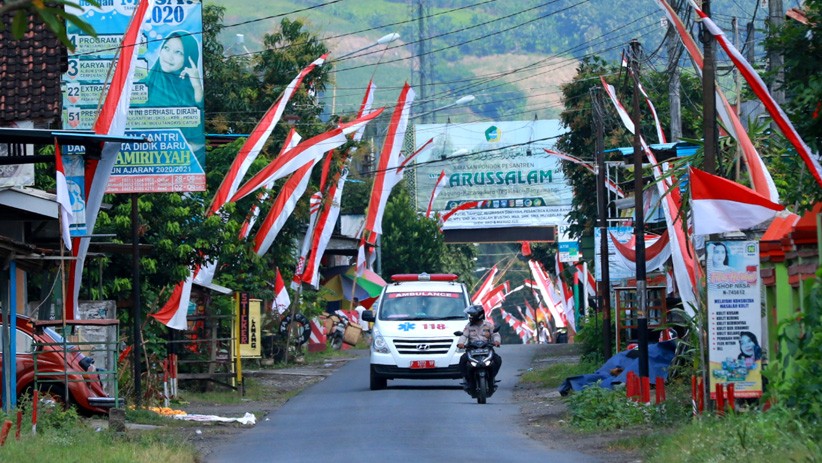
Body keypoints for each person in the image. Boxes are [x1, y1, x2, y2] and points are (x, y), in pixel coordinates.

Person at [145, 31, 203, 107]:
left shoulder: (192, 89)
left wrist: (197, 86)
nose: (169, 57)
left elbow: (198, 113)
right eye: (166, 48)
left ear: (189, 59)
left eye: (178, 52)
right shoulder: (144, 84)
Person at [457, 305, 502, 390]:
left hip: (486, 349)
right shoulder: (468, 326)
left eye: (472, 315)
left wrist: (496, 341)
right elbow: (464, 335)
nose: (470, 317)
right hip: (472, 349)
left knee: (497, 360)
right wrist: (460, 343)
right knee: (462, 360)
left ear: (479, 315)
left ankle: (492, 377)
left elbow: (495, 334)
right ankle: (467, 379)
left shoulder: (488, 325)